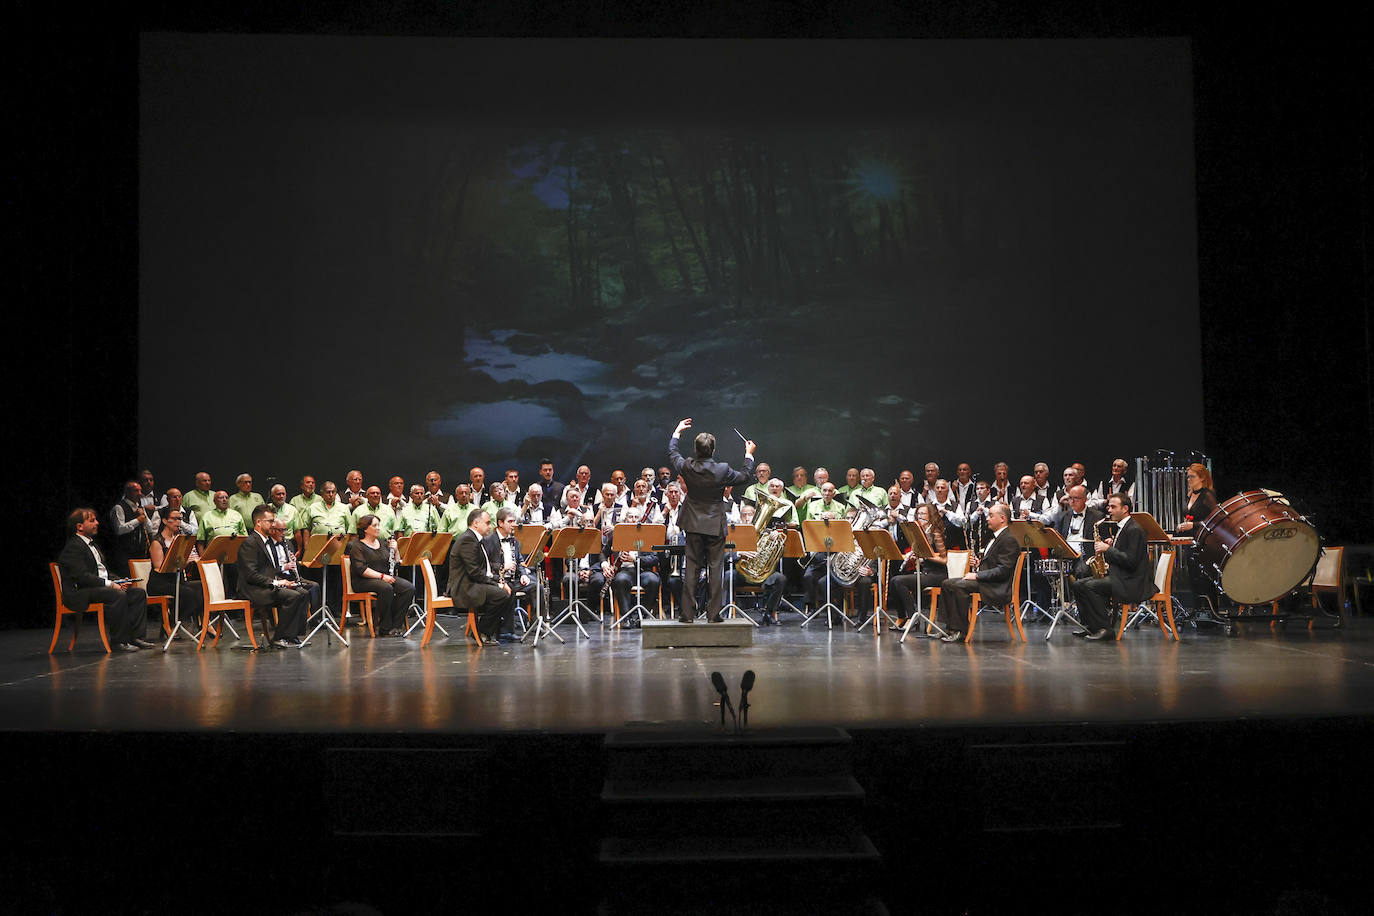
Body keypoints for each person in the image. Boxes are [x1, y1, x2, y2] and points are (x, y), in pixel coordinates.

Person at [667, 417, 756, 623]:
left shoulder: (688, 466)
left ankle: (687, 615)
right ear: (713, 451)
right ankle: (714, 614)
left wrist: (677, 431)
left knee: (691, 568)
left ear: (696, 450)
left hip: (692, 523)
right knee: (716, 569)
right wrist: (748, 455)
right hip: (715, 524)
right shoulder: (722, 469)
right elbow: (743, 476)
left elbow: (672, 452)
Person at [58, 508, 154, 650]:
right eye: (92, 521)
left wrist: (119, 580)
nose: (97, 523)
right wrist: (111, 585)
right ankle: (118, 641)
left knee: (137, 593)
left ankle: (136, 637)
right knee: (116, 594)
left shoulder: (92, 545)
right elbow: (82, 576)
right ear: (79, 527)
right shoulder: (74, 547)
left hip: (95, 588)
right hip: (80, 592)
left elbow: (102, 572)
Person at [1069, 493, 1154, 639]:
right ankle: (1090, 626)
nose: (1109, 510)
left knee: (1090, 586)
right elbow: (1123, 555)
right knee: (1078, 585)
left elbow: (1131, 561)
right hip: (1122, 576)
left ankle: (1105, 628)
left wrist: (1108, 549)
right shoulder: (1123, 527)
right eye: (1109, 506)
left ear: (1125, 509)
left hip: (1131, 582)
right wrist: (1112, 547)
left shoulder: (1134, 529)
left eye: (1113, 507)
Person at [937, 502, 1021, 643]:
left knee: (959, 585)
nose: (987, 519)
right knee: (947, 583)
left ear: (1002, 518)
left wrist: (977, 575)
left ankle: (960, 630)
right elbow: (993, 563)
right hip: (987, 581)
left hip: (996, 586)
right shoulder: (995, 537)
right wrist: (979, 564)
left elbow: (1003, 570)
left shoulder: (1009, 540)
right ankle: (949, 628)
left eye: (991, 516)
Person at [237, 505, 311, 648]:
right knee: (292, 596)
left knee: (303, 592)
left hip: (266, 585)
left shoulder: (267, 542)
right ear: (259, 522)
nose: (273, 524)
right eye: (270, 521)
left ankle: (292, 635)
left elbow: (271, 569)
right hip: (253, 589)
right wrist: (277, 583)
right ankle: (278, 638)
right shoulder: (250, 543)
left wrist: (284, 581)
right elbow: (251, 575)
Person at [448, 508, 515, 646]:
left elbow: (483, 571)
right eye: (487, 523)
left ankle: (501, 631)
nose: (490, 526)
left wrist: (499, 581)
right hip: (464, 586)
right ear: (476, 523)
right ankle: (481, 631)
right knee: (500, 594)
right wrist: (497, 584)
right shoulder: (468, 540)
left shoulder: (476, 539)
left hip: (473, 582)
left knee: (510, 590)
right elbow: (474, 572)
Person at [347, 513, 414, 637]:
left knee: (408, 588)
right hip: (363, 580)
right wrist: (382, 577)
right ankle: (384, 627)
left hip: (384, 577)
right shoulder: (357, 546)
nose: (378, 528)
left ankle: (396, 625)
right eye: (375, 525)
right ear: (365, 529)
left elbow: (396, 563)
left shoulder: (382, 543)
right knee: (386, 588)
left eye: (379, 525)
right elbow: (361, 569)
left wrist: (396, 550)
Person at [889, 503, 948, 632]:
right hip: (926, 572)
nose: (920, 516)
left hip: (938, 575)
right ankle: (902, 616)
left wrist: (925, 556)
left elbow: (944, 560)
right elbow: (925, 559)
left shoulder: (935, 533)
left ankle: (912, 616)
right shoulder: (921, 534)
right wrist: (918, 559)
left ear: (930, 516)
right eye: (919, 514)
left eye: (923, 514)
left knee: (899, 581)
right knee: (893, 580)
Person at [147, 506, 204, 631]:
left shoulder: (180, 539)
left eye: (180, 519)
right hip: (160, 583)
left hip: (177, 581)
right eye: (175, 519)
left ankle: (204, 622)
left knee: (201, 586)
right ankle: (170, 624)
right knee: (188, 593)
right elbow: (159, 567)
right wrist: (182, 562)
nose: (179, 522)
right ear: (165, 521)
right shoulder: (157, 542)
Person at [1174, 463, 1220, 609]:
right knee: (1193, 578)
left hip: (1204, 543)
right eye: (1188, 477)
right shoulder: (1190, 495)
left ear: (1202, 478)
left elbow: (1214, 521)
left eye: (1192, 477)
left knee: (1205, 578)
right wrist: (1182, 526)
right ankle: (1198, 610)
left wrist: (1192, 525)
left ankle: (1210, 612)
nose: (1189, 480)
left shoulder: (1208, 495)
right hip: (1191, 542)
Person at [109, 480, 150, 572]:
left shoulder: (140, 507)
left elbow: (150, 529)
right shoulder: (119, 507)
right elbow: (119, 529)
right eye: (136, 491)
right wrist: (138, 520)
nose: (139, 494)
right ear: (128, 492)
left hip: (140, 552)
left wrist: (144, 517)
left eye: (140, 491)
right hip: (125, 553)